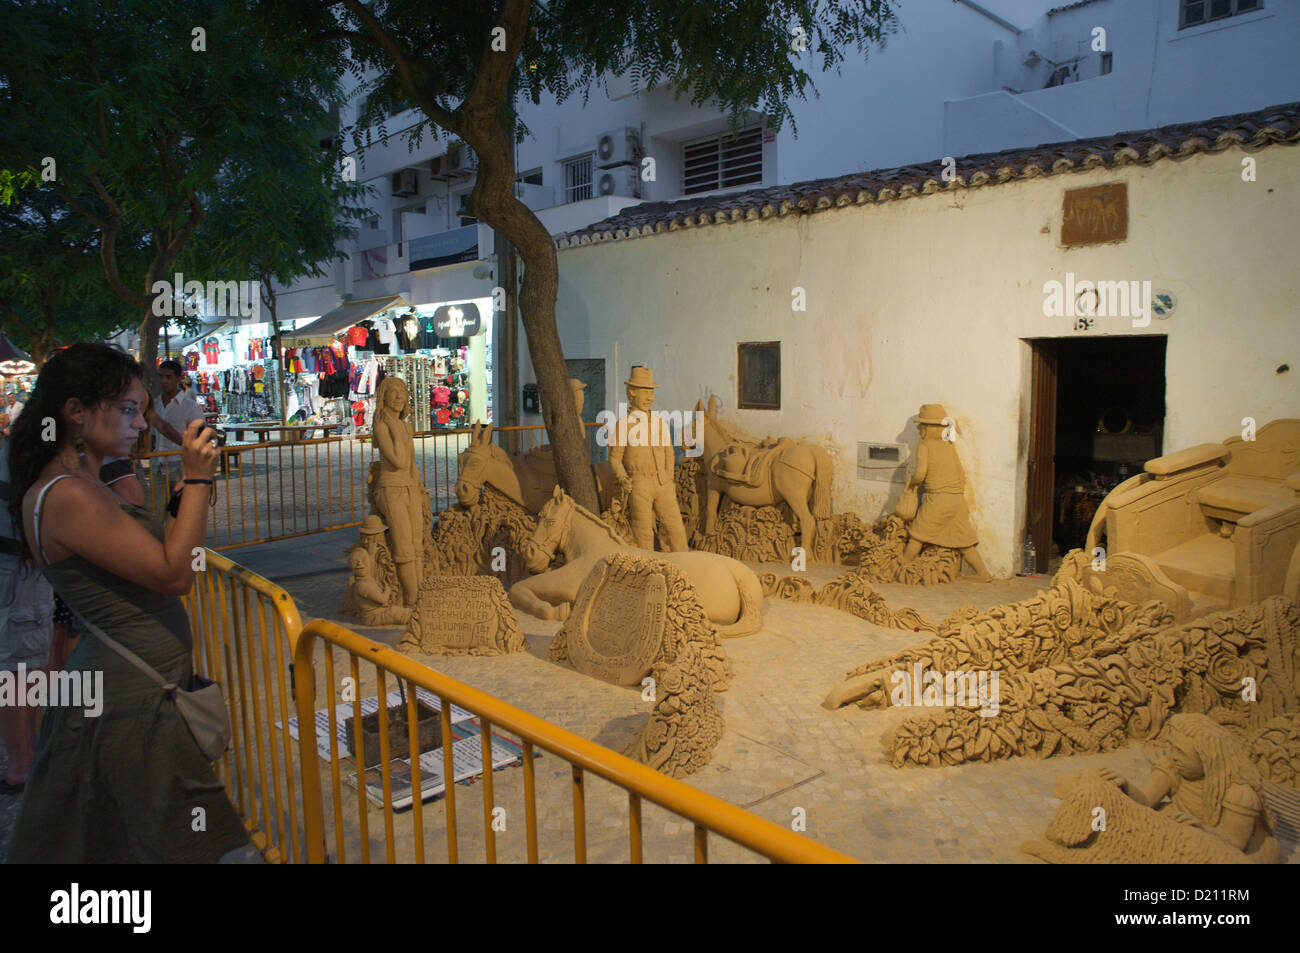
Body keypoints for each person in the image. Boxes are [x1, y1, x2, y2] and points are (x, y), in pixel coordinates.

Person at [6, 342, 251, 862]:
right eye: (126, 410)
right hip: (129, 707)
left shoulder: (84, 483)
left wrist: (185, 493)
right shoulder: (69, 494)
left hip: (135, 696)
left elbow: (154, 550)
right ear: (75, 412)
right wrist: (203, 479)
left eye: (141, 410)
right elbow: (174, 572)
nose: (141, 424)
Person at [1100, 713, 1280, 863]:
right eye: (1172, 748)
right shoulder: (1174, 766)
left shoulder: (1239, 794)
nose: (1174, 756)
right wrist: (1126, 786)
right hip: (1182, 824)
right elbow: (1146, 801)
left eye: (1181, 752)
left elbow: (1235, 843)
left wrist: (1202, 830)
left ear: (1206, 759)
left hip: (1221, 842)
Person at [898, 403, 992, 581]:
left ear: (928, 428)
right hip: (957, 500)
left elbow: (920, 473)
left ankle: (903, 564)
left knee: (918, 533)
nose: (919, 430)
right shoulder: (949, 446)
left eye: (922, 426)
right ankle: (983, 573)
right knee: (964, 540)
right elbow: (961, 474)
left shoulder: (925, 447)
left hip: (938, 499)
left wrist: (912, 482)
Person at [609, 366, 688, 551]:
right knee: (643, 532)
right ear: (631, 393)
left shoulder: (660, 423)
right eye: (644, 391)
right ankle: (648, 571)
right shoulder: (624, 425)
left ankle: (686, 566)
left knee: (675, 528)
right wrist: (623, 478)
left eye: (651, 391)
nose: (649, 397)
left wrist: (668, 478)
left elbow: (669, 452)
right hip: (639, 484)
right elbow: (614, 458)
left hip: (662, 483)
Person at [149, 358, 204, 504]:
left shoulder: (190, 406)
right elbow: (153, 436)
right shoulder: (155, 404)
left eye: (168, 377)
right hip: (158, 467)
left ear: (178, 378)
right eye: (161, 377)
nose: (164, 381)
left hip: (181, 467)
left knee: (182, 511)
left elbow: (198, 438)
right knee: (157, 512)